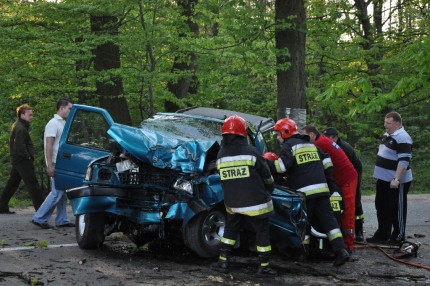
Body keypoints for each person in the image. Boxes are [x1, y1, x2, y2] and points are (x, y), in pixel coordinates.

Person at [267, 118, 350, 266]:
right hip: (323, 190)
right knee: (329, 222)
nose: (278, 138)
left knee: (303, 224)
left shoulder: (289, 146)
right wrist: (327, 176)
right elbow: (326, 159)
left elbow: (281, 167)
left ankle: (302, 254)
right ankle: (341, 251)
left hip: (306, 193)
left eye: (278, 134)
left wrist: (263, 163)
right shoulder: (309, 145)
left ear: (285, 132)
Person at [212, 115, 277, 276]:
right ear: (243, 134)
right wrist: (270, 189)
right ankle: (264, 267)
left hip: (233, 204)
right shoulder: (251, 152)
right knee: (262, 232)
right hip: (257, 204)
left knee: (231, 230)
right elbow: (267, 176)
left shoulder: (221, 155)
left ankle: (223, 262)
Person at [302, 125, 358, 252]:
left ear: (311, 135)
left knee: (348, 211)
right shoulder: (322, 141)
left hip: (346, 178)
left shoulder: (320, 144)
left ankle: (348, 245)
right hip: (341, 178)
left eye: (304, 136)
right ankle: (342, 242)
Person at [367, 112, 413, 245]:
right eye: (385, 122)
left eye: (388, 123)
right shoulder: (388, 135)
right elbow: (382, 154)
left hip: (395, 181)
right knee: (381, 206)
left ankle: (398, 237)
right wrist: (377, 175)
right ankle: (383, 234)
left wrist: (396, 179)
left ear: (397, 124)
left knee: (396, 208)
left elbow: (404, 161)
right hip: (383, 179)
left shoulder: (403, 137)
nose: (385, 125)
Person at [31, 98, 75, 229]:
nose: (71, 111)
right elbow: (49, 145)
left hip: (61, 162)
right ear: (62, 108)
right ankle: (39, 218)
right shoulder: (53, 123)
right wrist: (50, 165)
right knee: (57, 192)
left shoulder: (62, 123)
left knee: (62, 192)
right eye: (69, 108)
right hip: (55, 162)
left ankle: (62, 219)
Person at [0, 104, 44, 214]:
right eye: (29, 115)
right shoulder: (20, 127)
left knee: (12, 183)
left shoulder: (19, 125)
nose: (31, 117)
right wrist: (28, 157)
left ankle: (2, 206)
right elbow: (20, 146)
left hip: (18, 159)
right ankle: (42, 211)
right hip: (22, 160)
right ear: (22, 115)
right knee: (33, 184)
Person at [324, 127, 365, 242]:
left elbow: (345, 167)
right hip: (342, 174)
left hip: (353, 172)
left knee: (355, 199)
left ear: (335, 138)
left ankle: (358, 230)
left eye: (328, 138)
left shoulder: (344, 148)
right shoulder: (332, 145)